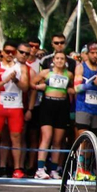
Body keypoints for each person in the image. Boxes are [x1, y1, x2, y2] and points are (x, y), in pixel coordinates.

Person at [0, 42, 32, 178]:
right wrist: (4, 81)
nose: (9, 54)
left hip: (15, 107)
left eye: (12, 51)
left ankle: (17, 168)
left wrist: (15, 80)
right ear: (2, 52)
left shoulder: (21, 68)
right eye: (7, 51)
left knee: (16, 137)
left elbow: (25, 88)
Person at [31, 49, 73, 179]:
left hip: (62, 105)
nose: (60, 61)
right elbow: (32, 83)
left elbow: (71, 88)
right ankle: (40, 169)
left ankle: (54, 169)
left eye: (62, 58)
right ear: (53, 60)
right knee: (46, 136)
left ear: (65, 61)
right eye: (57, 58)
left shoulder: (69, 74)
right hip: (48, 104)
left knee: (58, 140)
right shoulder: (45, 73)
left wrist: (71, 90)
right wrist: (40, 87)